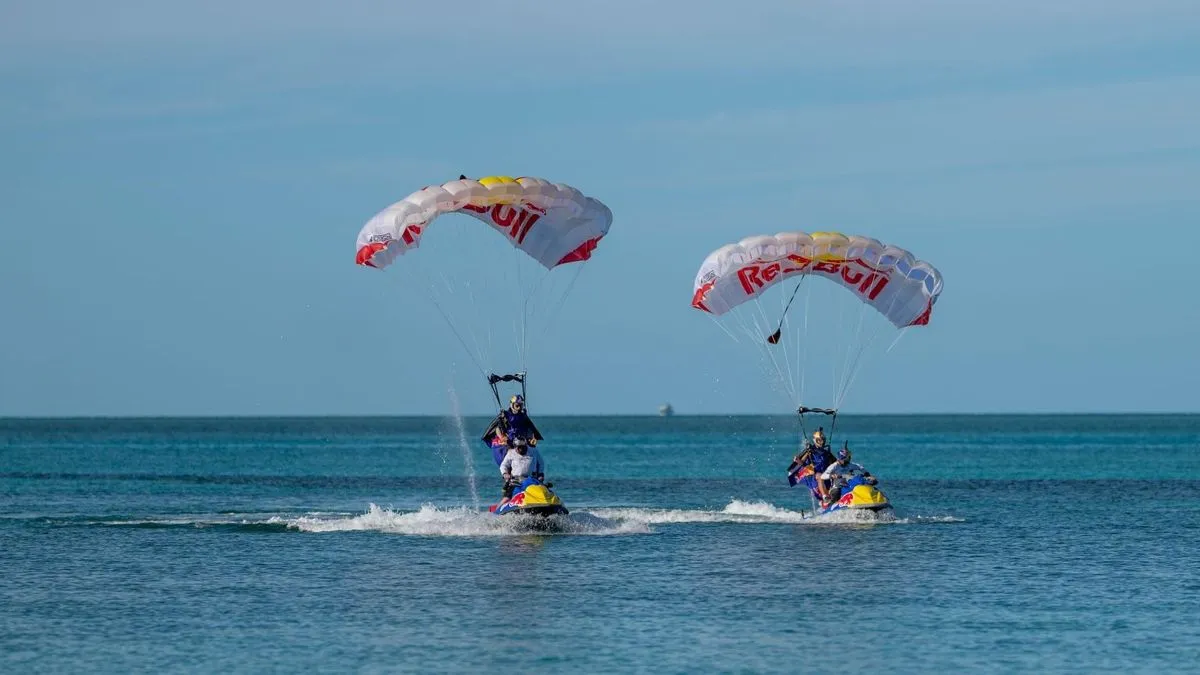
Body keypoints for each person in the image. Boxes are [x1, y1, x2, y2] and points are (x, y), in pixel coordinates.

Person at [498, 437, 546, 503]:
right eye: (519, 447)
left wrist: (541, 474)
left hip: (532, 480)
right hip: (516, 481)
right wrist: (505, 474)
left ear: (526, 445)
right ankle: (497, 512)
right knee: (506, 499)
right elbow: (503, 465)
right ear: (515, 447)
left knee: (544, 492)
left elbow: (541, 463)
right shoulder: (511, 453)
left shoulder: (534, 451)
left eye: (523, 447)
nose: (521, 449)